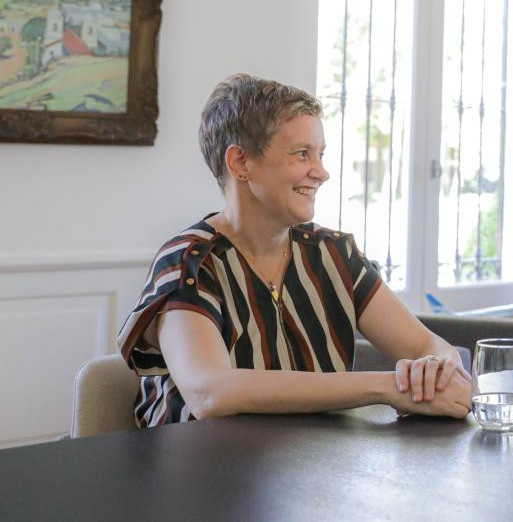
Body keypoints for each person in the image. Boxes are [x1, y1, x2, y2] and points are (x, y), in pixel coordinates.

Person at [116, 74, 471, 427]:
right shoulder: (189, 262)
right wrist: (387, 386)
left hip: (310, 468)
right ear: (240, 163)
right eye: (302, 154)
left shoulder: (334, 254)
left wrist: (436, 367)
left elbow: (428, 346)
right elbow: (210, 392)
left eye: (320, 154)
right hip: (199, 472)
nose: (321, 172)